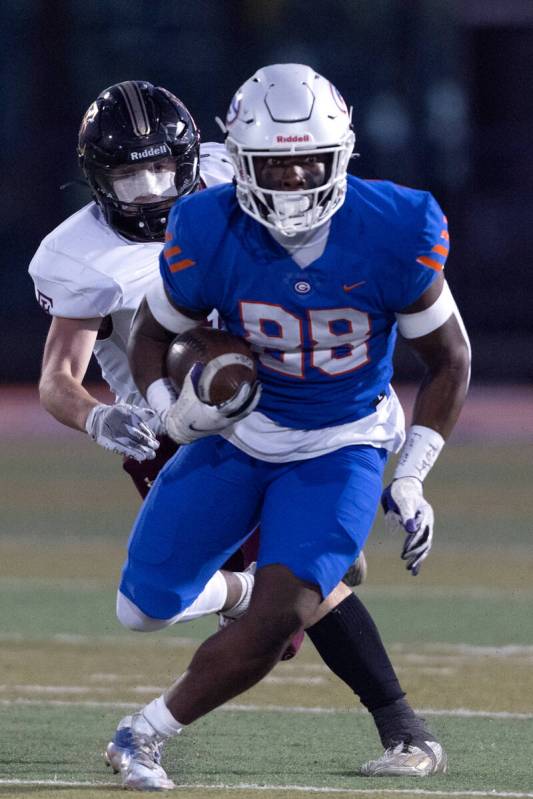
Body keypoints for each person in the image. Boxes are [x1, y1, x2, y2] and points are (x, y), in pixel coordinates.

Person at [28, 78, 430, 782]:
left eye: (160, 166)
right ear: (96, 178)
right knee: (257, 616)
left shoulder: (232, 173)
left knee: (297, 601)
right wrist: (101, 416)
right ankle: (257, 593)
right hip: (176, 430)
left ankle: (400, 725)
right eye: (127, 173)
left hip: (290, 406)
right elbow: (57, 377)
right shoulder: (77, 254)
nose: (151, 188)